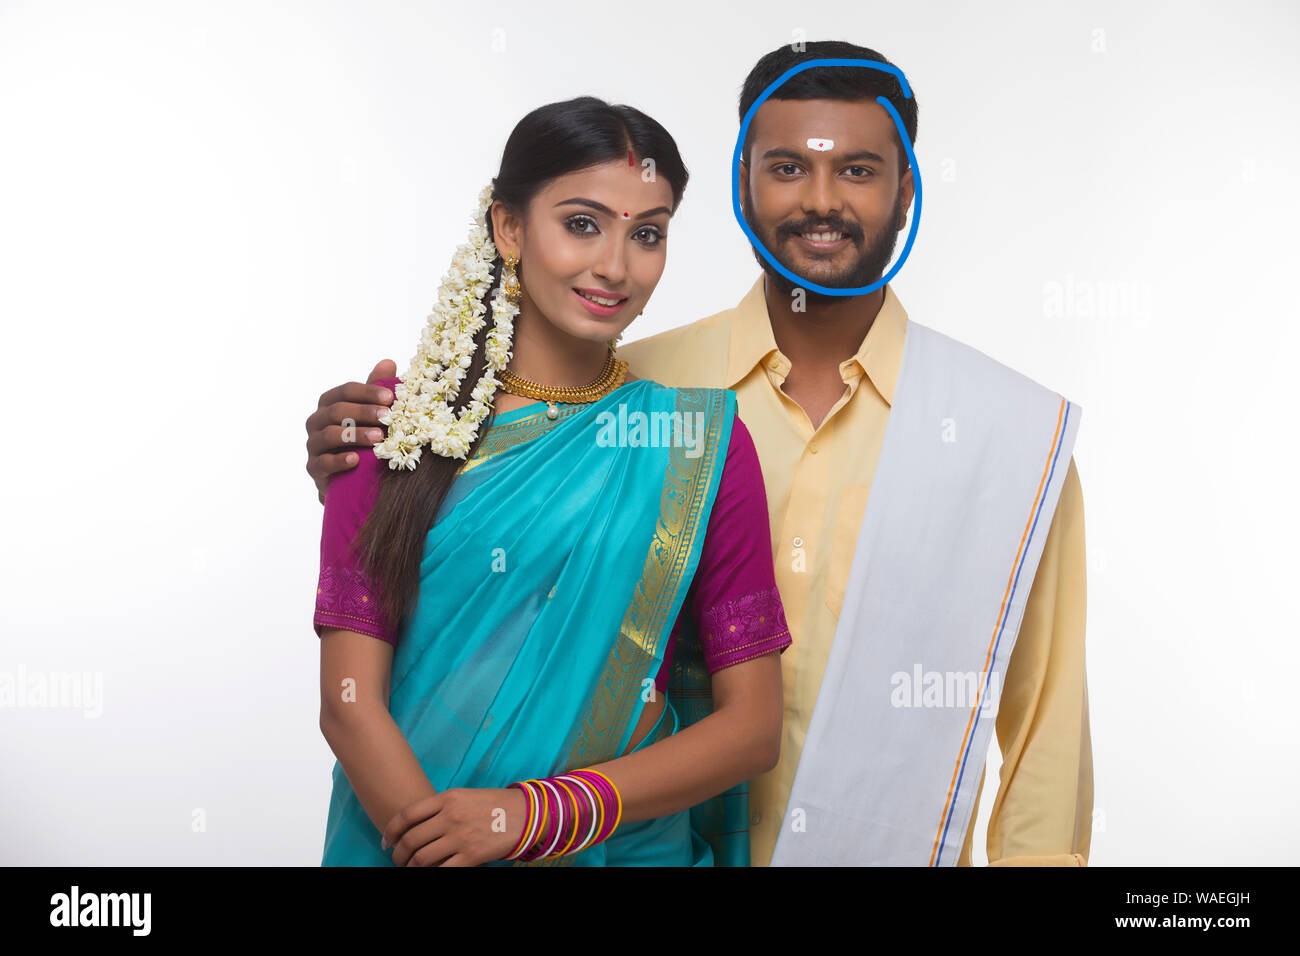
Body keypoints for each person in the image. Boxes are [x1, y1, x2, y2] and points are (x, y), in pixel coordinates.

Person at [307, 41, 1092, 868]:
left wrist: (532, 816)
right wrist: (349, 455)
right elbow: (436, 556)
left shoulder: (1006, 435)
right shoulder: (634, 385)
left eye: (858, 170)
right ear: (742, 182)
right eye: (787, 167)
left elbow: (1045, 726)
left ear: (907, 188)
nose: (821, 200)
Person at [313, 96, 791, 867]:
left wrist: (534, 817)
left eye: (647, 235)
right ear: (508, 228)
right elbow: (350, 706)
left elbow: (751, 728)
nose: (615, 266)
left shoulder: (700, 442)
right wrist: (443, 847)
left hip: (626, 849)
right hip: (409, 845)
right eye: (581, 223)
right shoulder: (394, 430)